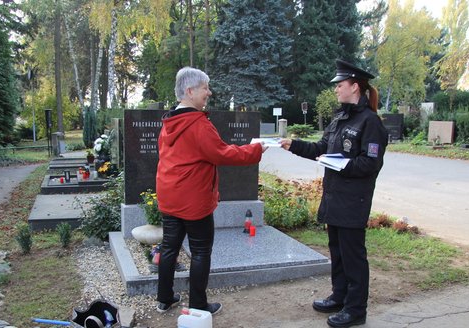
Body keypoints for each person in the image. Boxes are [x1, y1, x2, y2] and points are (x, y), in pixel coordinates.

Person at [280, 59, 388, 328]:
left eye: (340, 85)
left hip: (353, 201)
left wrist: (340, 163)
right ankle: (339, 296)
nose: (336, 90)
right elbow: (321, 148)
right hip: (334, 198)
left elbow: (371, 163)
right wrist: (292, 145)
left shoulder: (370, 122)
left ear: (355, 86)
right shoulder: (340, 118)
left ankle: (355, 309)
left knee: (353, 256)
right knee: (337, 252)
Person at [155, 67, 267, 315]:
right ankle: (198, 304)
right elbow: (222, 153)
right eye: (205, 87)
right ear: (190, 90)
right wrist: (256, 149)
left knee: (169, 247)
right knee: (201, 250)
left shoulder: (169, 122)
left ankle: (164, 298)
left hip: (169, 196)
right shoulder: (197, 124)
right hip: (194, 200)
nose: (209, 92)